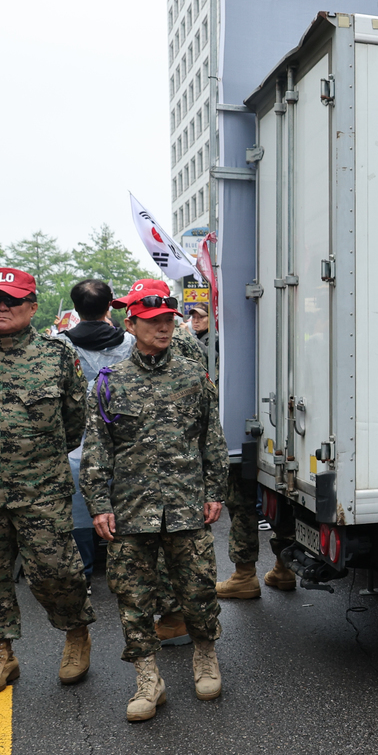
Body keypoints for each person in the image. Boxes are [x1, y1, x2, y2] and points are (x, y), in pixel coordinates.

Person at [82, 282, 228, 722]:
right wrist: (98, 504)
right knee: (132, 598)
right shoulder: (110, 383)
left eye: (169, 320)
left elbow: (212, 440)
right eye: (153, 322)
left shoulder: (192, 375)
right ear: (132, 324)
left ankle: (205, 655)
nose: (164, 328)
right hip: (129, 510)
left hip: (186, 504)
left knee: (198, 588)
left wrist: (215, 491)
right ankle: (148, 677)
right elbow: (97, 449)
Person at [0, 267, 95, 697]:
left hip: (41, 491)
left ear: (32, 306)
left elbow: (75, 421)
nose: (1, 307)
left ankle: (75, 636)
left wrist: (37, 459)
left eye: (12, 301)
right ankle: (1, 655)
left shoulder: (57, 355)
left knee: (56, 571)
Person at [56, 279, 135, 577]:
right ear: (109, 306)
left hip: (78, 442)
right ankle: (124, 571)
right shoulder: (130, 343)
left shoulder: (61, 345)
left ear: (75, 308)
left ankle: (84, 572)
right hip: (122, 439)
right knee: (124, 503)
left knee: (78, 506)